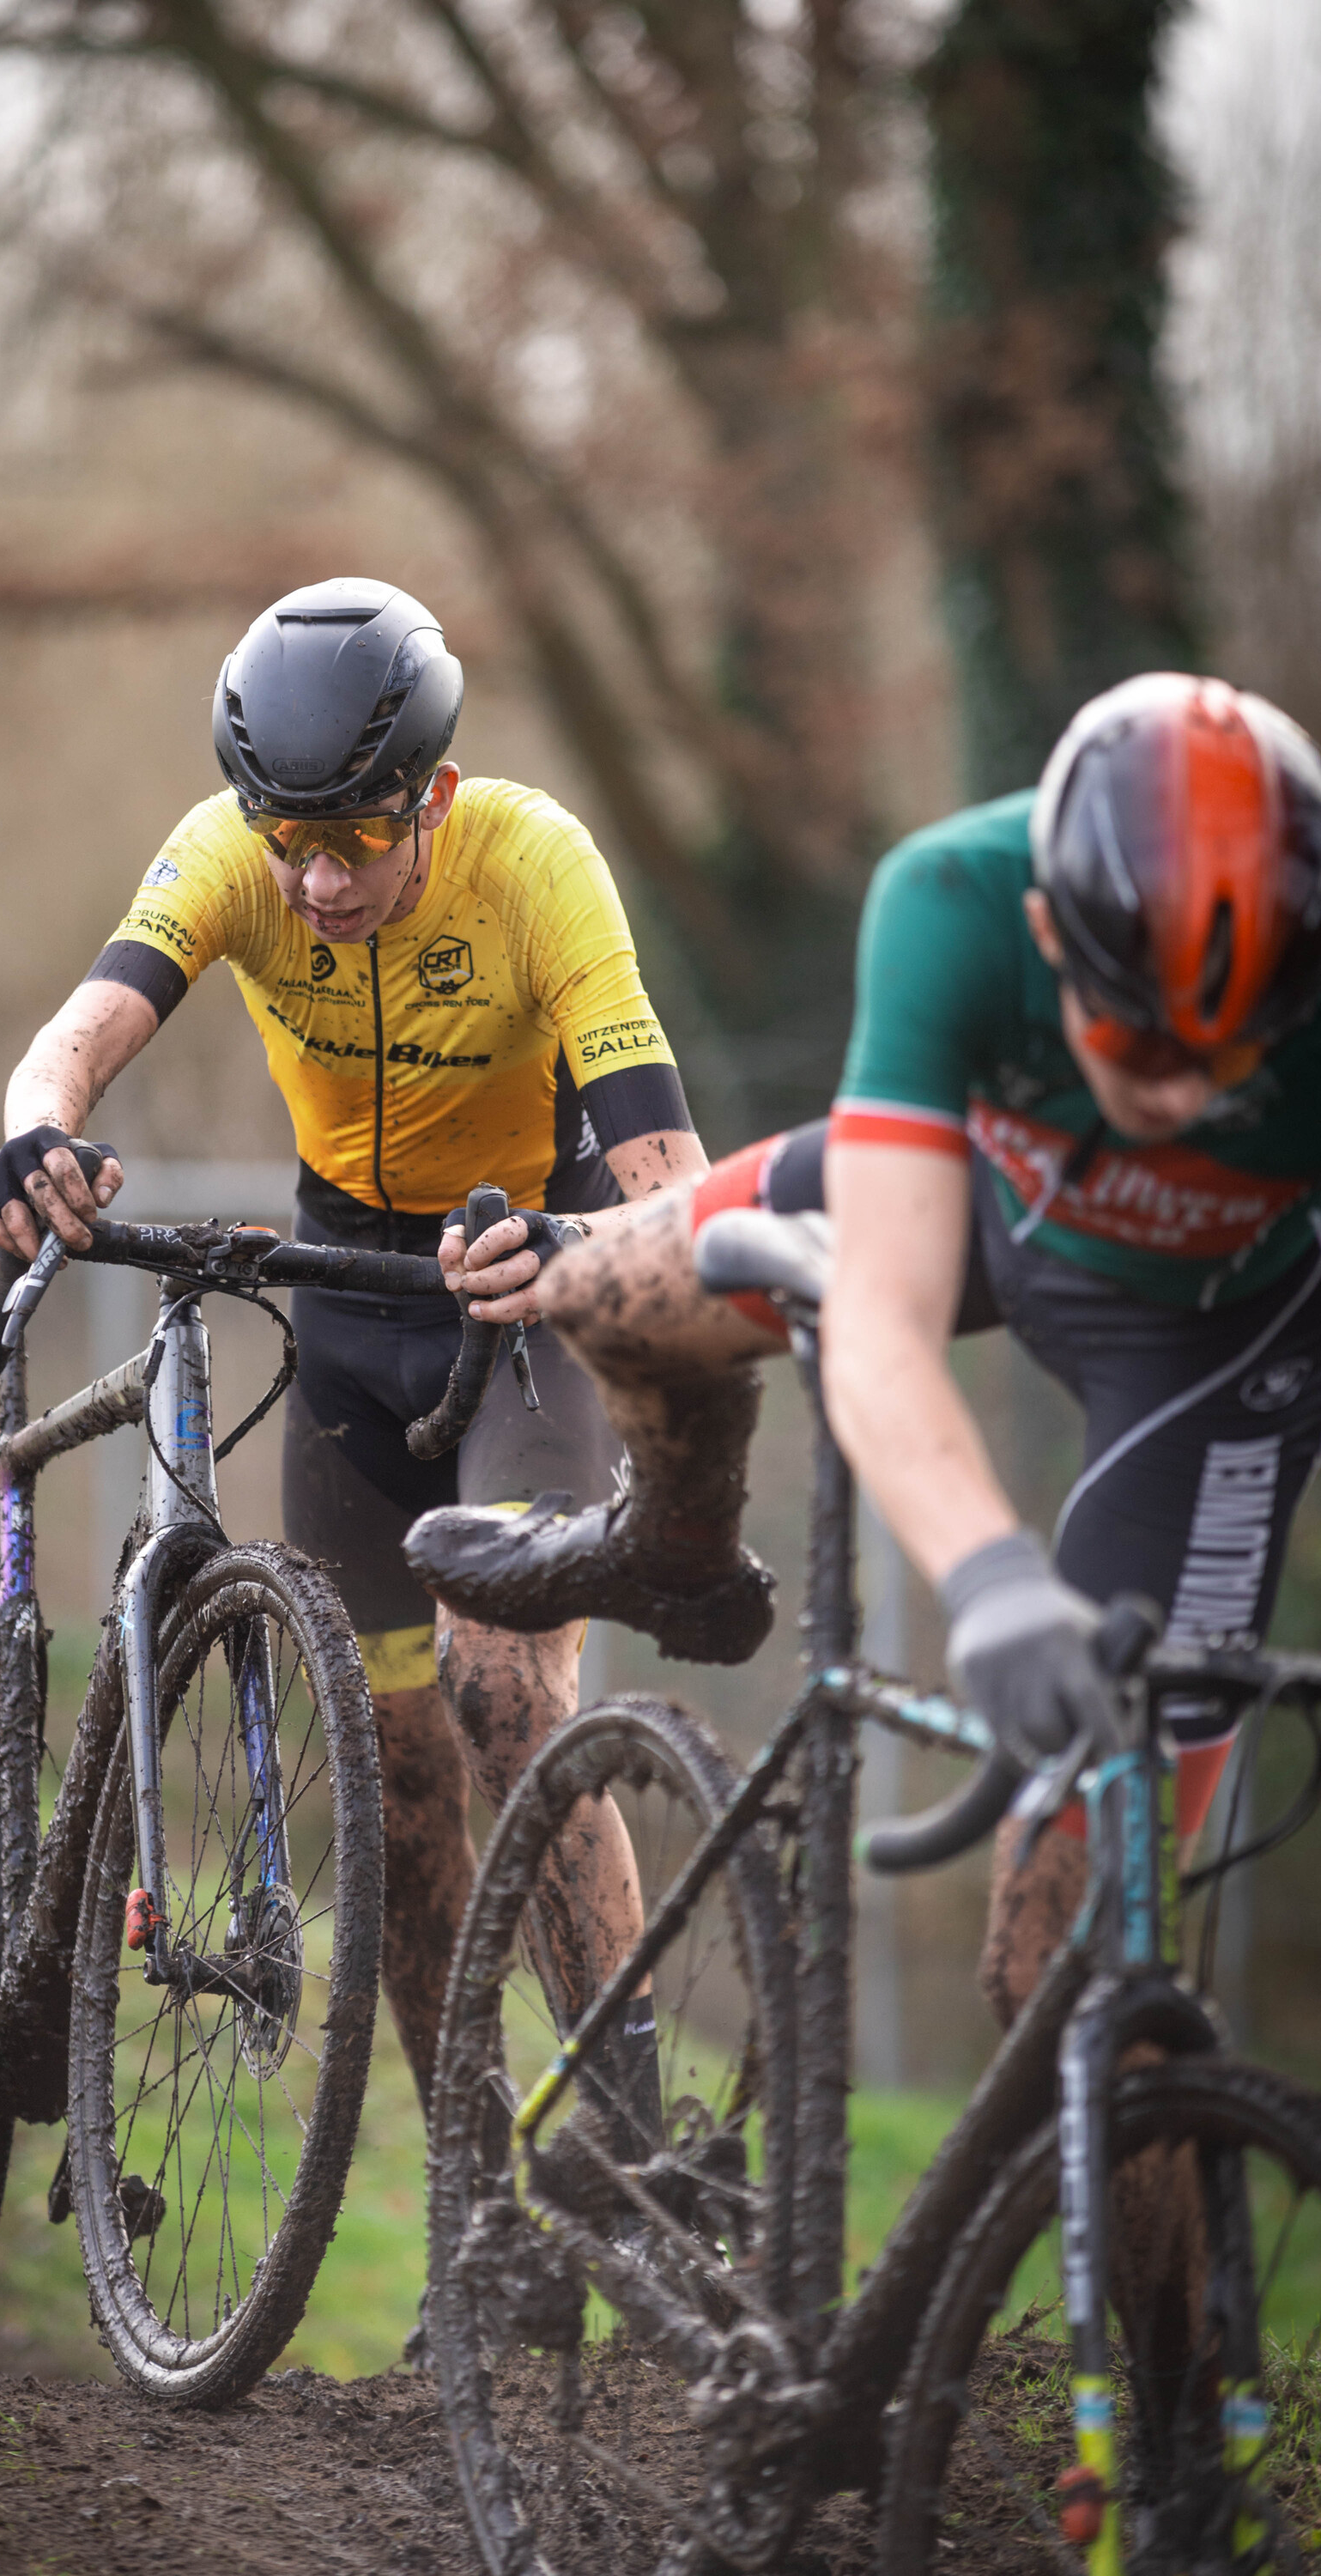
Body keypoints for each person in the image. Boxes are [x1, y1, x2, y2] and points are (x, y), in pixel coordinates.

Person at [408, 671, 1321, 2031]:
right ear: (1045, 929)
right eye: (1134, 1038)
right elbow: (877, 1317)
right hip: (965, 1202)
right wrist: (994, 1579)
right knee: (599, 1282)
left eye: (1225, 1058)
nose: (1173, 1098)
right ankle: (669, 1542)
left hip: (1212, 1343)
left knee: (1067, 1954)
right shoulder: (950, 899)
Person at [0, 574, 736, 2121]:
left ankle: (649, 2155)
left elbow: (675, 1177)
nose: (317, 880)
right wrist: (34, 1139)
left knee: (508, 1688)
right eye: (288, 839)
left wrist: (584, 1248)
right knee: (394, 1773)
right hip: (344, 1297)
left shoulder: (536, 865)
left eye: (358, 840)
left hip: (528, 1285)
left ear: (434, 797)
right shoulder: (229, 855)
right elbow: (75, 1037)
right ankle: (475, 2207)